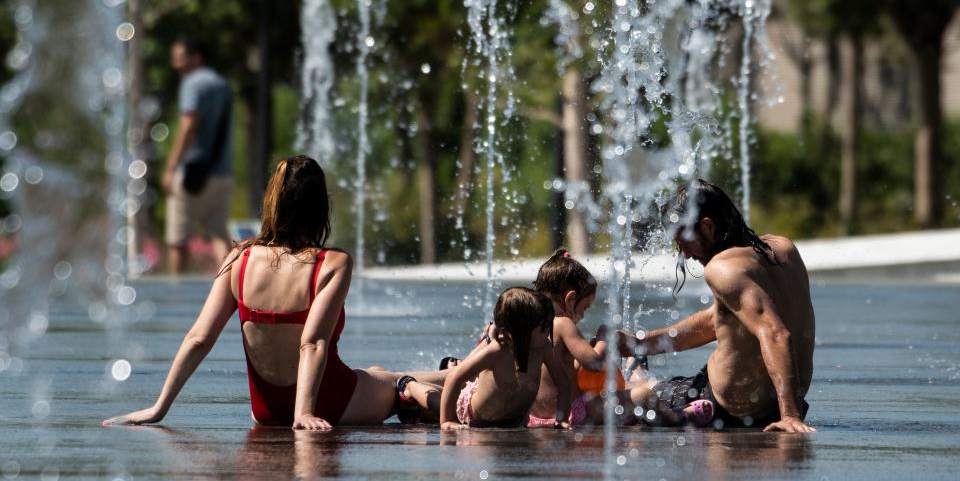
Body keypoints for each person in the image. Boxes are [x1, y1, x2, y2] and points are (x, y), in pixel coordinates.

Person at [103, 156, 445, 430]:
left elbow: (198, 338)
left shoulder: (239, 257)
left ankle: (451, 371)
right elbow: (312, 343)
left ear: (273, 203)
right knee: (392, 379)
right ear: (319, 208)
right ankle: (457, 372)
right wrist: (304, 414)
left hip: (265, 409)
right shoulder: (333, 263)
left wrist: (158, 408)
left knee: (375, 372)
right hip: (327, 402)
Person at [622, 179, 817, 433]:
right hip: (773, 406)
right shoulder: (784, 248)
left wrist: (790, 416)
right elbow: (721, 320)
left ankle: (635, 371)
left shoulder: (722, 268)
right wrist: (643, 342)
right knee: (642, 368)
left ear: (707, 226)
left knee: (630, 398)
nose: (686, 255)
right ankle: (636, 355)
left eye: (684, 243)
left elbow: (775, 333)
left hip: (719, 406)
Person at [527, 249, 712, 428]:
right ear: (569, 299)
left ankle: (633, 396)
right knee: (644, 396)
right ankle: (677, 417)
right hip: (575, 413)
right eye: (584, 308)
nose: (582, 316)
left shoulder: (530, 325)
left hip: (537, 417)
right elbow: (594, 362)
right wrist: (603, 338)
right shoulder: (562, 323)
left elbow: (561, 370)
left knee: (612, 393)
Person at [439, 287, 571, 430]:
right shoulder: (497, 351)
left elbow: (563, 382)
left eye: (548, 326)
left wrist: (562, 419)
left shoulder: (543, 348)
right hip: (476, 416)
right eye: (543, 328)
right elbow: (454, 377)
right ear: (521, 330)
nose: (548, 333)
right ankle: (412, 385)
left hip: (514, 420)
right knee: (434, 402)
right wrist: (448, 420)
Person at [162, 37, 234, 274]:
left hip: (191, 172)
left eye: (181, 59)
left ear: (196, 58)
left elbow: (189, 125)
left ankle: (176, 295)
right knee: (218, 235)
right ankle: (229, 291)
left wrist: (171, 167)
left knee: (177, 241)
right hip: (222, 172)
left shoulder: (192, 84)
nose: (176, 65)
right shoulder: (222, 85)